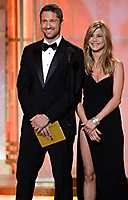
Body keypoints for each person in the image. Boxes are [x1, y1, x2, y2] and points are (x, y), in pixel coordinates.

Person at [16, 4, 84, 200]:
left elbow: (72, 93)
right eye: (44, 21)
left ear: (61, 22)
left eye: (52, 21)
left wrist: (47, 117)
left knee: (62, 181)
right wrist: (35, 118)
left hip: (59, 126)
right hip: (32, 127)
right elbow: (22, 87)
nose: (48, 25)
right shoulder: (29, 51)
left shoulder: (74, 53)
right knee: (25, 177)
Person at [76, 21, 128, 200]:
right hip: (86, 122)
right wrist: (87, 124)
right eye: (92, 35)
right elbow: (76, 99)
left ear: (106, 39)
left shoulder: (116, 65)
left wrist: (95, 121)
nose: (95, 39)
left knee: (111, 174)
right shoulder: (80, 65)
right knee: (89, 173)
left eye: (99, 35)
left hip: (108, 123)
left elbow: (116, 98)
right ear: (87, 39)